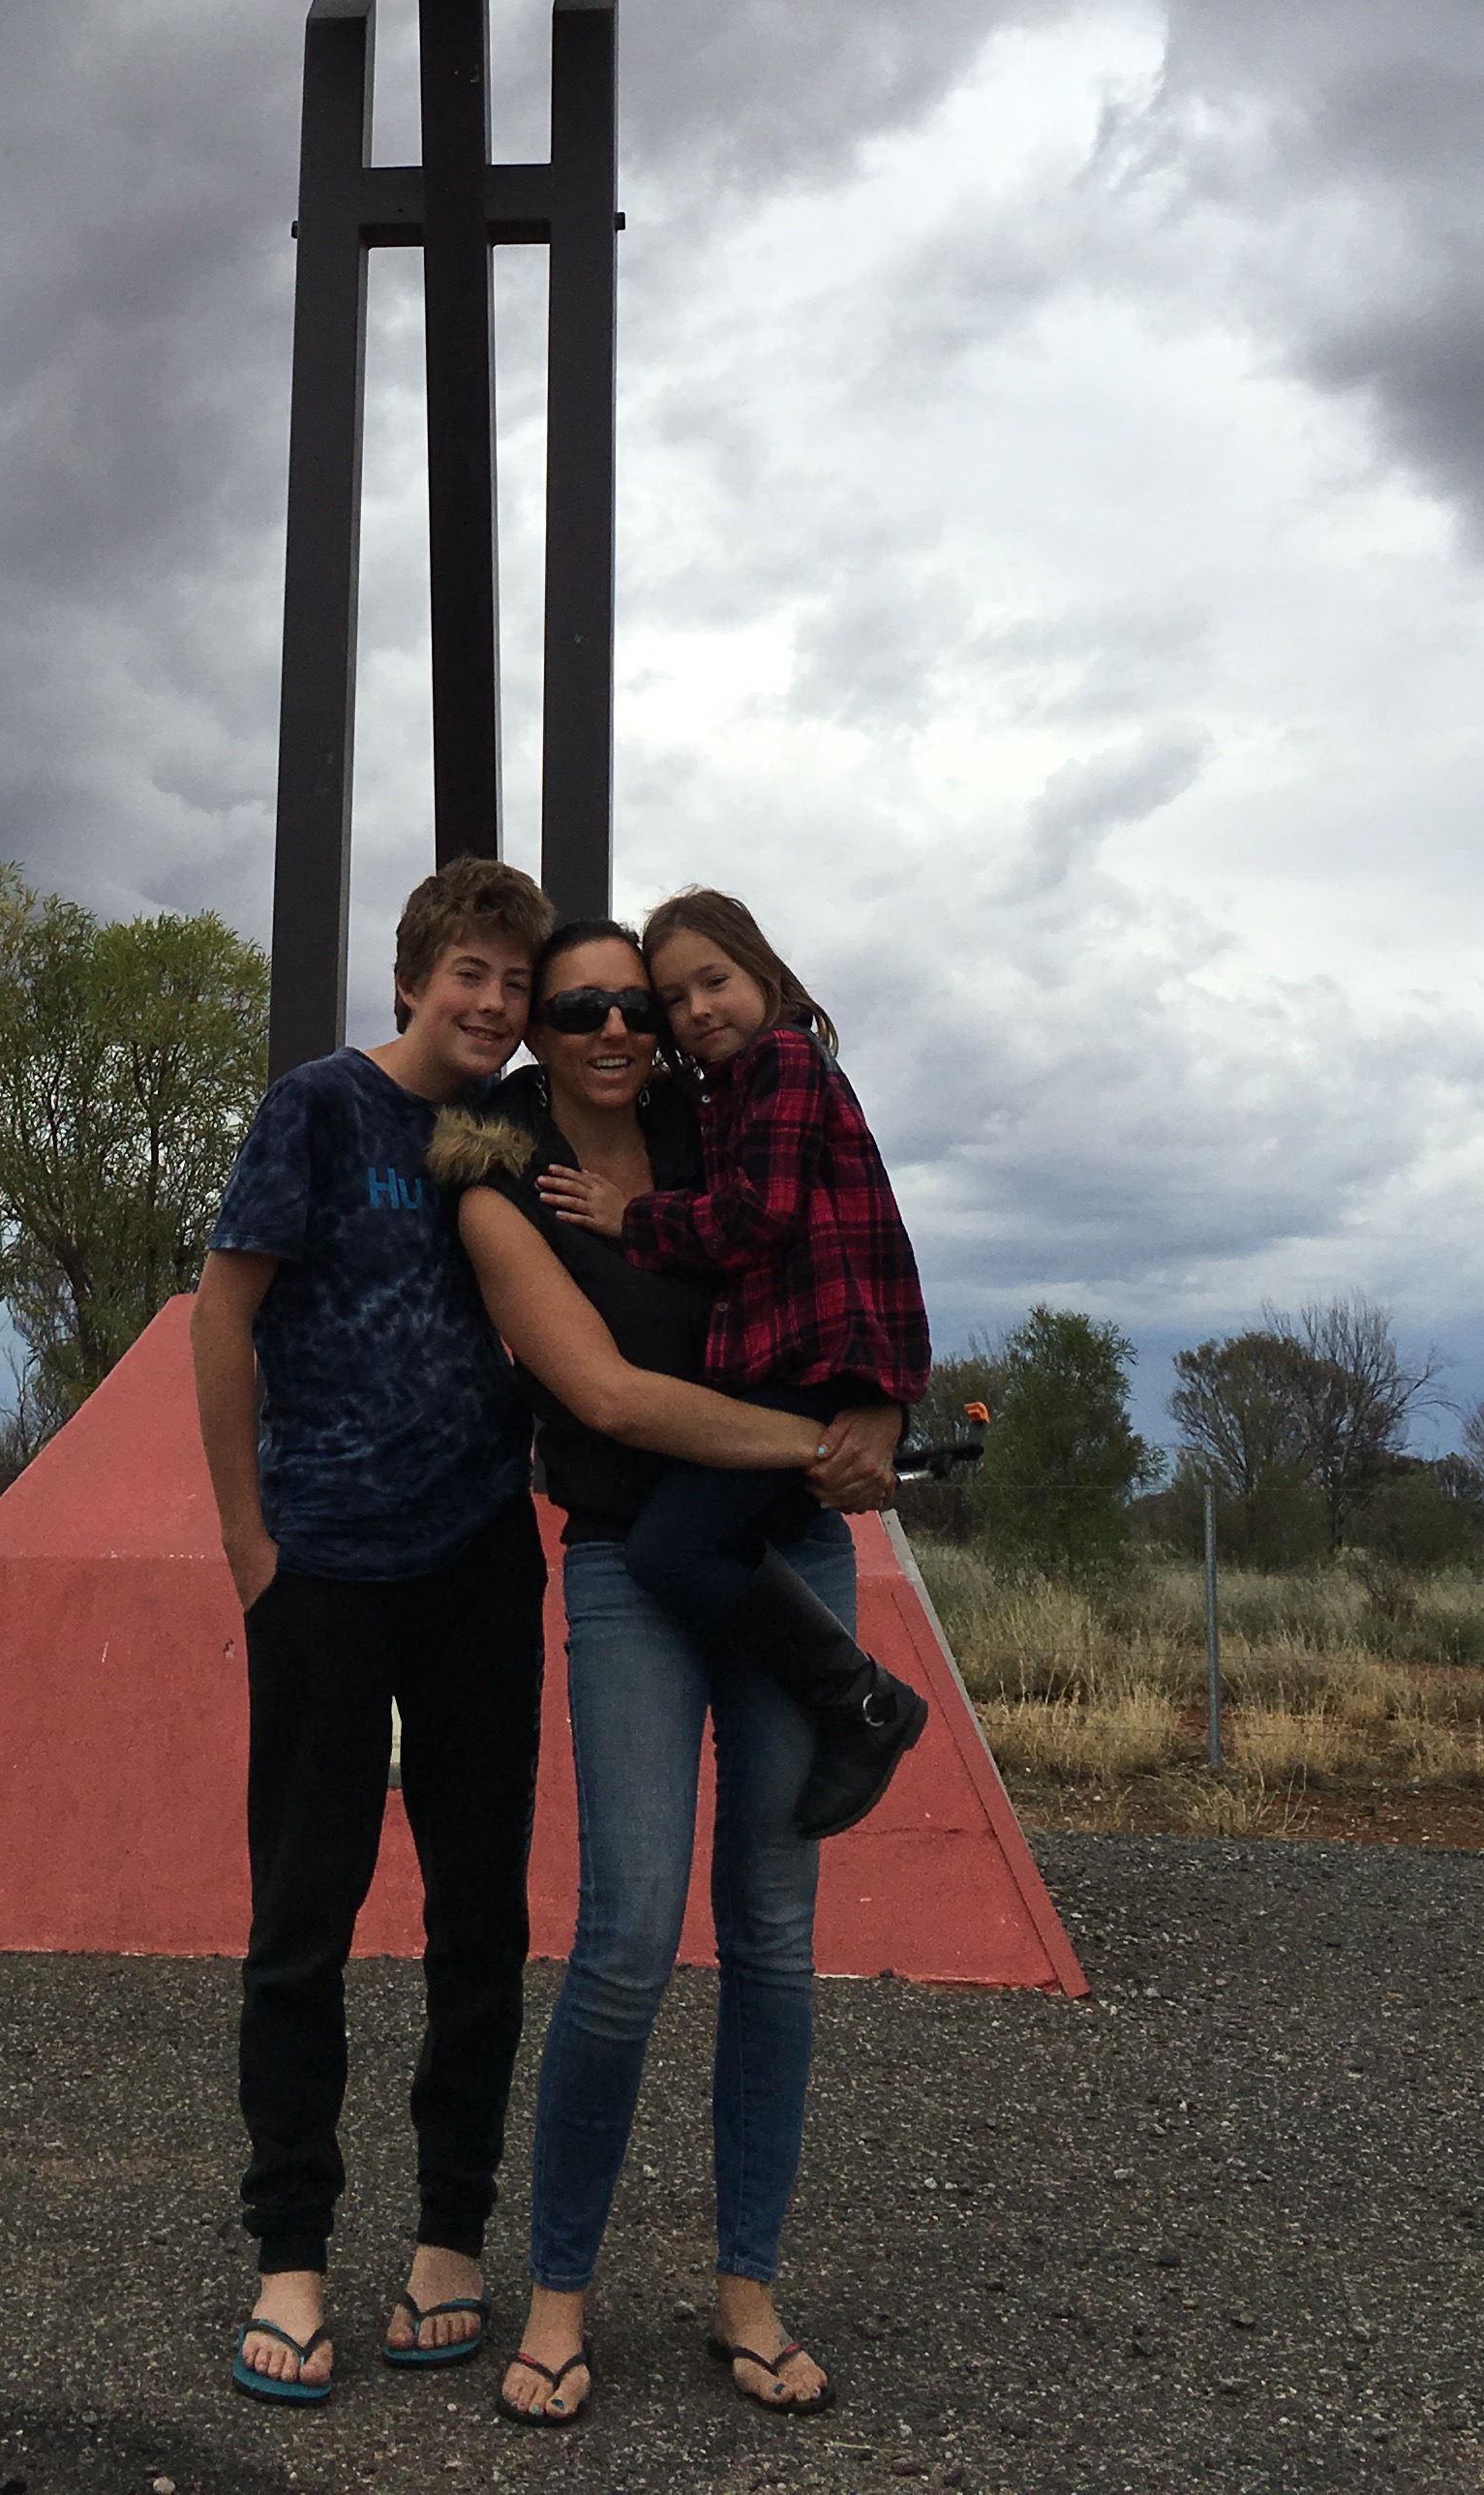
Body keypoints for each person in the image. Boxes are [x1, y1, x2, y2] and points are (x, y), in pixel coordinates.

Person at [440, 918, 906, 2430]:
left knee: (771, 1935)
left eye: (636, 1004)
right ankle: (559, 2296)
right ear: (538, 1028)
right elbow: (608, 1397)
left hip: (791, 1549)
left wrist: (883, 1411)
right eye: (579, 1006)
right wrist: (827, 1443)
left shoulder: (730, 1119)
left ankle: (748, 2292)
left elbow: (848, 1243)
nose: (617, 1028)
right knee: (629, 1934)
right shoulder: (503, 1182)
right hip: (631, 1562)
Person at [189, 854, 555, 2409]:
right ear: (410, 981)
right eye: (468, 974)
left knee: (479, 1918)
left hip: (479, 1563)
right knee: (303, 1917)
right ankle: (290, 2258)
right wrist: (249, 1546)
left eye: (516, 984)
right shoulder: (321, 1111)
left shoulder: (510, 1130)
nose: (493, 1003)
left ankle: (450, 2241)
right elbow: (225, 1314)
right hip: (325, 1565)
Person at [536, 886, 931, 1847]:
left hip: (810, 1358)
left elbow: (761, 1214)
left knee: (669, 1550)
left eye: (712, 982)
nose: (696, 1011)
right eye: (675, 998)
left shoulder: (785, 1061)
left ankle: (864, 1701)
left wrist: (632, 1216)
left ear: (763, 971)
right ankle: (851, 1696)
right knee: (689, 1544)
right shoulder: (720, 1093)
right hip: (795, 1363)